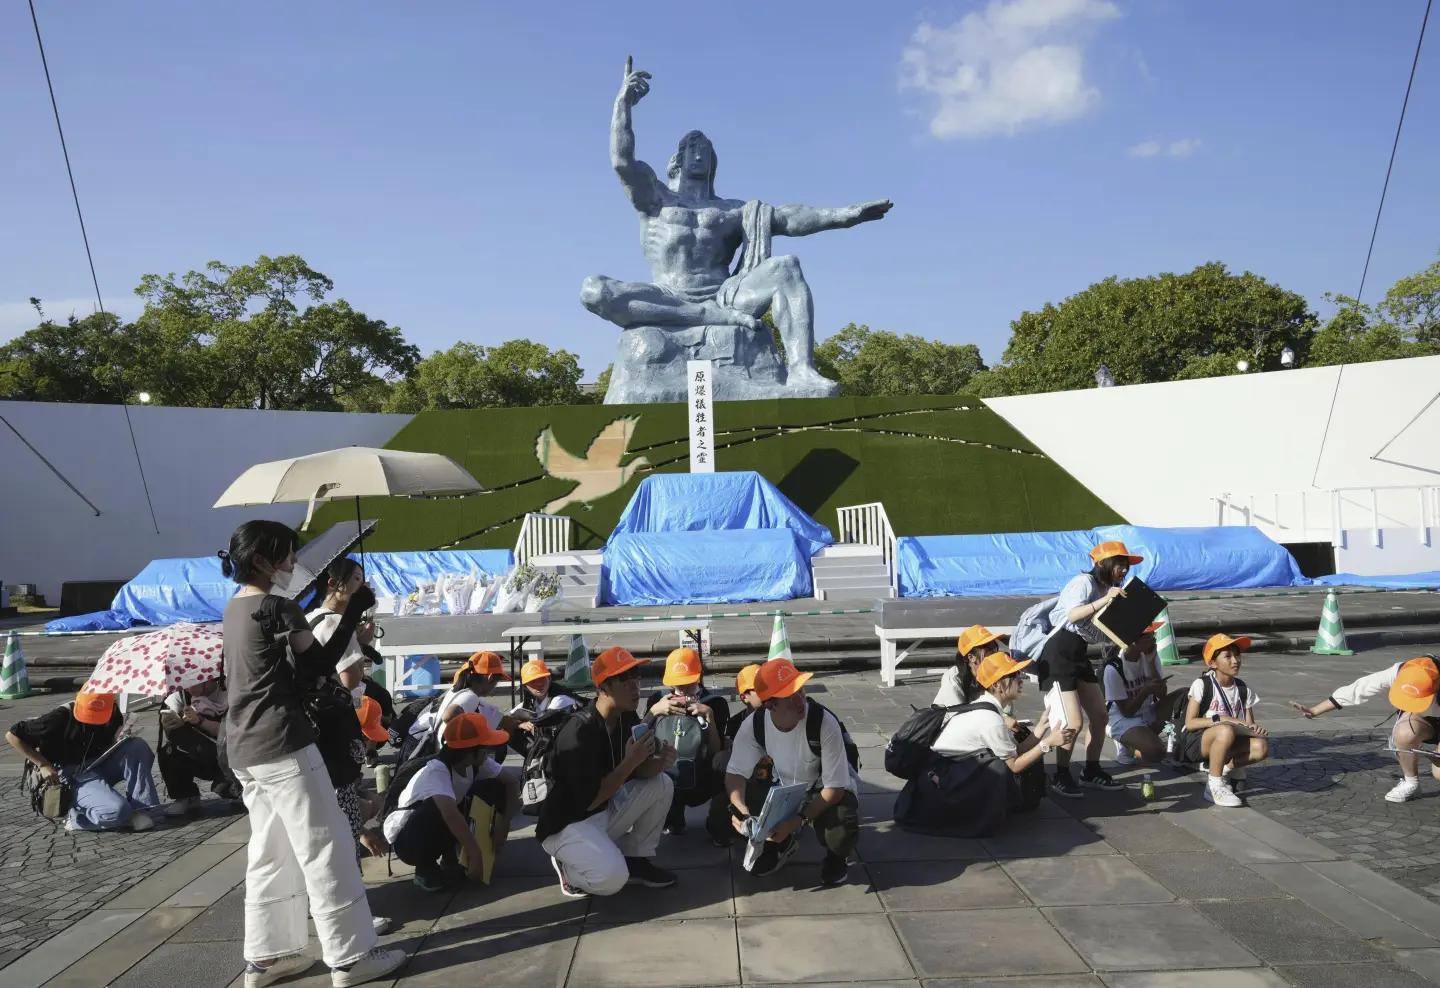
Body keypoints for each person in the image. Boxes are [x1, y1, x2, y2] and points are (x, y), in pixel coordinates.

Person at [218, 520, 404, 988]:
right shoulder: (278, 608)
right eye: (285, 555)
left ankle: (268, 958)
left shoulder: (234, 609)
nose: (293, 563)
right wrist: (353, 612)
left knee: (270, 851)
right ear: (262, 559)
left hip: (244, 747)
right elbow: (319, 666)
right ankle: (351, 957)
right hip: (284, 742)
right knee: (328, 848)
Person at [537, 646, 679, 897]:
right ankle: (568, 870)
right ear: (603, 687)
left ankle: (636, 859)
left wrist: (658, 763)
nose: (635, 686)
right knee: (613, 879)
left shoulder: (626, 717)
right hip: (567, 824)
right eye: (624, 680)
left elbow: (639, 773)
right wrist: (631, 761)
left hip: (600, 813)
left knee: (662, 783)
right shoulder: (578, 731)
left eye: (636, 677)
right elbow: (592, 797)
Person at [898, 652, 1076, 836]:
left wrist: (1040, 728)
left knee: (1001, 761)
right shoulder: (991, 719)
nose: (1020, 680)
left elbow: (1015, 751)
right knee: (998, 768)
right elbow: (1014, 765)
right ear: (997, 685)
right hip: (941, 781)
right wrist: (1047, 743)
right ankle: (977, 819)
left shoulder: (986, 707)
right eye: (1014, 676)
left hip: (943, 773)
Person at [724, 658, 859, 887]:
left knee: (840, 822)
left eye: (800, 690)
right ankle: (779, 845)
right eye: (789, 696)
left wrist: (797, 821)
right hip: (784, 788)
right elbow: (735, 774)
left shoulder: (823, 722)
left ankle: (837, 856)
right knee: (723, 811)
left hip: (822, 788)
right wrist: (743, 812)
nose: (799, 701)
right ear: (770, 705)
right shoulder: (754, 724)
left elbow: (834, 789)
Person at [1036, 540, 1138, 797]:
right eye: (1119, 564)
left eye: (1126, 565)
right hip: (1058, 653)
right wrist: (1105, 600)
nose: (1124, 570)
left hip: (1079, 653)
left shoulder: (1109, 588)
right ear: (1102, 563)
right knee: (1072, 721)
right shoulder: (1083, 583)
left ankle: (1091, 770)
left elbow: (1098, 632)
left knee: (1100, 716)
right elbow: (1072, 615)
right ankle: (1060, 774)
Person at [384, 712, 511, 892]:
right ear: (469, 752)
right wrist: (476, 855)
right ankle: (425, 867)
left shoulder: (475, 762)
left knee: (494, 786)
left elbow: (511, 783)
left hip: (436, 826)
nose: (489, 753)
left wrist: (503, 824)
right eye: (485, 749)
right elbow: (450, 815)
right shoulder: (437, 770)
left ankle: (451, 858)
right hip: (408, 840)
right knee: (438, 808)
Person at [7, 690, 167, 832]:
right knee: (117, 811)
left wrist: (119, 736)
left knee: (136, 746)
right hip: (69, 772)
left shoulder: (113, 712)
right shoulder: (59, 717)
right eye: (88, 715)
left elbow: (107, 742)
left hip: (97, 762)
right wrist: (43, 764)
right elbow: (12, 735)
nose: (92, 721)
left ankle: (142, 809)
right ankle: (77, 819)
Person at [1294, 654, 1440, 803]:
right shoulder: (1400, 671)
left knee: (1438, 774)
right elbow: (1359, 688)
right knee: (1403, 734)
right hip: (1423, 720)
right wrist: (1315, 710)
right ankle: (1411, 782)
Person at [645, 647, 729, 835]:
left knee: (727, 777)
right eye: (676, 683)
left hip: (702, 775)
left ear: (698, 676)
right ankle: (672, 818)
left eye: (686, 682)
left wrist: (710, 717)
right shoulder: (657, 700)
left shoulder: (714, 703)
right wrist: (654, 712)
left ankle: (718, 825)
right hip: (665, 774)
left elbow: (717, 751)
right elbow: (639, 738)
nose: (681, 688)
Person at [1181, 634, 1269, 808]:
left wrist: (1254, 730)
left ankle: (1224, 769)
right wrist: (1221, 719)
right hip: (1198, 742)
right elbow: (1190, 723)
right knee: (1225, 729)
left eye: (1237, 655)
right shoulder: (1202, 684)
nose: (1235, 660)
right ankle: (1213, 786)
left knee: (1261, 746)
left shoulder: (1243, 689)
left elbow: (1249, 725)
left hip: (1229, 741)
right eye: (1227, 656)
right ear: (1213, 664)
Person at [705, 663, 768, 847]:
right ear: (744, 697)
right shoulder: (735, 724)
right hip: (746, 781)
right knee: (718, 819)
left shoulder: (778, 713)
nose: (766, 693)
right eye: (759, 689)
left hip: (775, 780)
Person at [158, 675, 241, 811]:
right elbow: (169, 715)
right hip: (197, 753)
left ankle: (239, 788)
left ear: (211, 678)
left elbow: (229, 732)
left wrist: (200, 721)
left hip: (224, 754)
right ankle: (185, 796)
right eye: (186, 682)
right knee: (169, 751)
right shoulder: (180, 695)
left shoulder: (229, 692)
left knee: (225, 787)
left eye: (195, 681)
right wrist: (172, 721)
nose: (190, 687)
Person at [1101, 626, 1169, 766]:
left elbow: (1162, 694)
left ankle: (1141, 739)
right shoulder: (1114, 668)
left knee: (1183, 695)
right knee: (1157, 752)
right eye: (1149, 638)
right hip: (1121, 718)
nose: (1154, 642)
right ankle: (1126, 742)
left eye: (1153, 636)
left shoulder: (1150, 656)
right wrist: (1145, 690)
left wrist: (1151, 665)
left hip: (1146, 712)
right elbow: (1127, 711)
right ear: (1133, 642)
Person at [509, 658, 582, 759]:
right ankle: (538, 760)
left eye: (542, 678)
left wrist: (525, 723)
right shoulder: (531, 700)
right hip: (557, 744)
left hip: (577, 743)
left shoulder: (561, 698)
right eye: (533, 681)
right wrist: (520, 724)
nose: (539, 684)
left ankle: (541, 760)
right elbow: (508, 718)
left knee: (539, 731)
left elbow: (543, 720)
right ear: (525, 687)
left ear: (549, 679)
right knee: (507, 732)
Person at [934, 625, 1008, 707]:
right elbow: (955, 716)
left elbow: (1003, 707)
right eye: (989, 649)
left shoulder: (993, 676)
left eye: (995, 647)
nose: (994, 654)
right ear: (971, 657)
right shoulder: (954, 679)